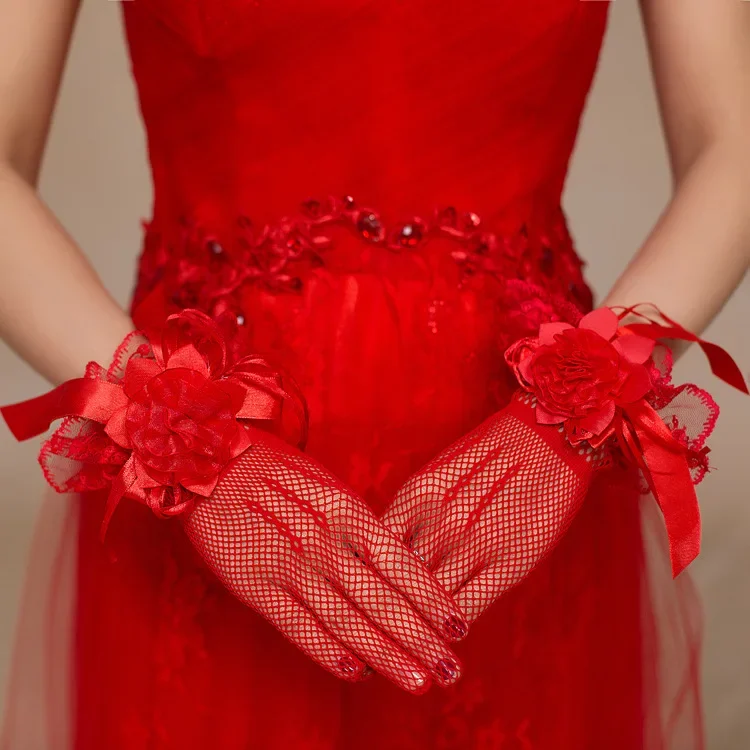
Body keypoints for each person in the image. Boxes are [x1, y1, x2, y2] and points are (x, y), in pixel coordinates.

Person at [1, 0, 749, 748]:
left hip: (511, 491)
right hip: (207, 497)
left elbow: (734, 141)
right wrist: (171, 431)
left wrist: (574, 413)